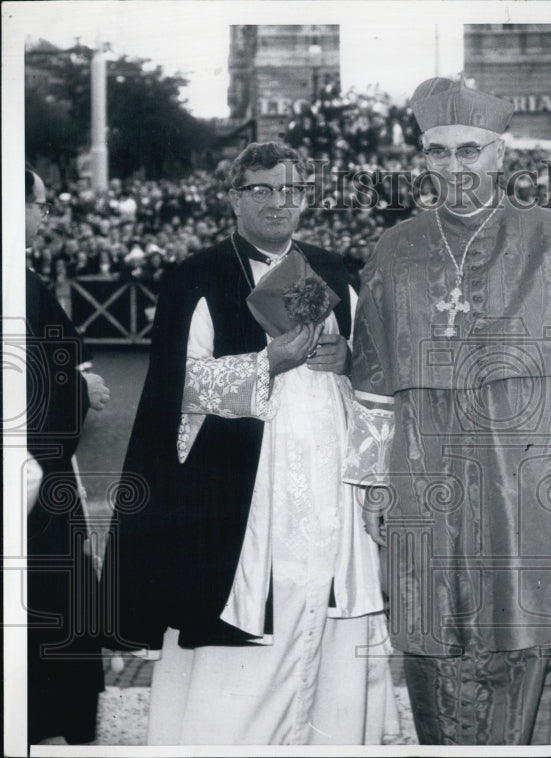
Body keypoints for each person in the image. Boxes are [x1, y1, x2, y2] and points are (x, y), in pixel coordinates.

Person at [347, 77, 551, 745]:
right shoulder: (395, 249)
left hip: (532, 470)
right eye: (437, 152)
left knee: (534, 630)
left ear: (501, 154)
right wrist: (373, 481)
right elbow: (376, 384)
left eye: (468, 150)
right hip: (427, 471)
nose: (454, 167)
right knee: (434, 630)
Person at [99, 142, 395, 745]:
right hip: (241, 498)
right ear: (235, 197)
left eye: (291, 191)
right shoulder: (198, 275)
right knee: (248, 630)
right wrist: (266, 363)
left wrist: (351, 360)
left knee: (329, 611)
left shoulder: (335, 269)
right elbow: (176, 388)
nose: (278, 203)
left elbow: (378, 379)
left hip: (332, 488)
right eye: (262, 189)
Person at [25, 168, 110, 744]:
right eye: (40, 203)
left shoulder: (23, 277)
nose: (46, 214)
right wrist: (83, 391)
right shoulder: (16, 281)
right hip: (33, 483)